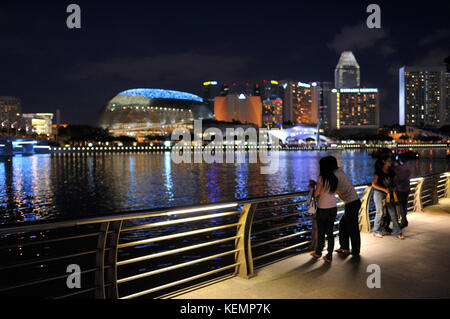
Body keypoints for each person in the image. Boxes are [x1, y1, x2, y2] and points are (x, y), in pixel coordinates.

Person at [320, 156, 362, 257]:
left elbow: (329, 190)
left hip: (351, 203)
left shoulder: (334, 176)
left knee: (352, 228)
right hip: (353, 202)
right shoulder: (339, 171)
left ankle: (353, 250)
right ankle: (346, 247)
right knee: (344, 225)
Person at [308, 157, 338, 263]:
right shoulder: (334, 177)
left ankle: (318, 252)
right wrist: (317, 184)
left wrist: (313, 186)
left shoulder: (321, 177)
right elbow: (328, 188)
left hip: (323, 208)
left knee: (321, 231)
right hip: (333, 207)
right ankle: (329, 255)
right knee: (330, 232)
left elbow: (317, 194)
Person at [371, 153, 405, 239]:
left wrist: (393, 188)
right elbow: (373, 184)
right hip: (378, 193)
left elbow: (395, 182)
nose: (390, 162)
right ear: (384, 161)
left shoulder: (391, 171)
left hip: (389, 194)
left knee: (393, 213)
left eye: (391, 161)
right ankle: (376, 231)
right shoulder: (379, 171)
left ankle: (398, 232)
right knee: (380, 212)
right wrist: (384, 189)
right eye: (389, 161)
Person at [394, 153, 412, 228]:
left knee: (401, 205)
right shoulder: (410, 165)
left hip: (400, 188)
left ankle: (404, 221)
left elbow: (399, 175)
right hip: (407, 188)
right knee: (405, 205)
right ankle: (404, 220)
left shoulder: (403, 167)